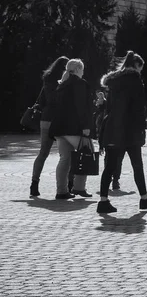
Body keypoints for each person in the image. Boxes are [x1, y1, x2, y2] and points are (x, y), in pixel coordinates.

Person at [97, 51, 147, 213]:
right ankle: (144, 198)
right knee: (137, 165)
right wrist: (141, 130)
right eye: (141, 68)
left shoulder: (113, 82)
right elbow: (139, 109)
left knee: (110, 166)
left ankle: (103, 201)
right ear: (136, 66)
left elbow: (109, 107)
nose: (141, 72)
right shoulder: (135, 81)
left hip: (113, 128)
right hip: (130, 130)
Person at [48, 59, 94, 199]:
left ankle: (61, 191)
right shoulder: (80, 84)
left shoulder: (62, 84)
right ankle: (79, 187)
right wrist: (86, 126)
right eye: (83, 70)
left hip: (59, 128)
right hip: (74, 128)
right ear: (79, 69)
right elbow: (82, 107)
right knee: (87, 153)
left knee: (65, 159)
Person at [30, 56, 69, 197]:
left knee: (43, 153)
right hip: (60, 121)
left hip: (46, 120)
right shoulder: (65, 82)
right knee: (66, 155)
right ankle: (66, 187)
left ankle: (34, 184)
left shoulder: (47, 80)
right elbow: (58, 101)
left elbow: (41, 100)